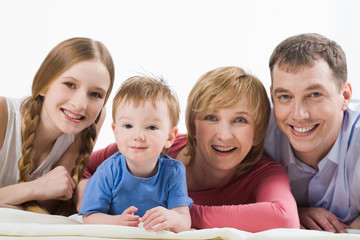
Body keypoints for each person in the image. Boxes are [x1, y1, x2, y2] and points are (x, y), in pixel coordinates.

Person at [78, 66, 300, 233]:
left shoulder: (264, 173)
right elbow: (83, 165)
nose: (224, 135)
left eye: (240, 120)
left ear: (258, 131)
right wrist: (84, 188)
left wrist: (180, 212)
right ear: (193, 125)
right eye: (211, 117)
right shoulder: (149, 145)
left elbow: (285, 219)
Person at [0, 37, 114, 215]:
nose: (80, 105)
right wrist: (34, 188)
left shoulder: (92, 120)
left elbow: (44, 210)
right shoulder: (3, 114)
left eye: (95, 94)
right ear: (43, 85)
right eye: (69, 84)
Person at [264, 33, 360, 233]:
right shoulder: (256, 135)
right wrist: (290, 211)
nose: (299, 115)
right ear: (272, 96)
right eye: (285, 96)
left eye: (315, 94)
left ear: (345, 96)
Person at [79, 76, 193, 233]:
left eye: (151, 127)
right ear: (115, 132)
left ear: (170, 137)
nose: (138, 136)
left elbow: (184, 220)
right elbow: (89, 217)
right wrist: (117, 221)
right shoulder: (108, 171)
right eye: (128, 125)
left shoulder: (174, 171)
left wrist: (172, 218)